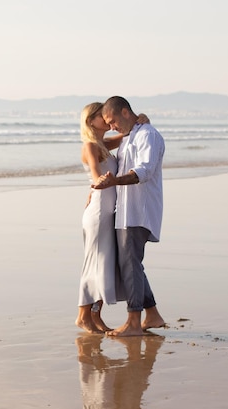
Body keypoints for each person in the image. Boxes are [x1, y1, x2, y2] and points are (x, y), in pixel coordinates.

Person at [93, 96, 166, 337]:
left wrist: (115, 181)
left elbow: (144, 171)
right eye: (108, 123)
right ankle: (152, 315)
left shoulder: (147, 135)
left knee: (130, 264)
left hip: (139, 210)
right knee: (130, 264)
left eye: (113, 120)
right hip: (124, 212)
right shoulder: (129, 136)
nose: (112, 126)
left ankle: (134, 322)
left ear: (125, 112)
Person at [76, 102, 149, 334]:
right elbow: (97, 176)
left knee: (105, 265)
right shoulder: (90, 146)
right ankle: (82, 317)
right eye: (101, 117)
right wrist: (96, 184)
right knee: (93, 264)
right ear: (90, 121)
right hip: (98, 212)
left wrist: (141, 119)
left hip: (109, 211)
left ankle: (95, 317)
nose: (107, 121)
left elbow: (127, 133)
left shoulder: (104, 144)